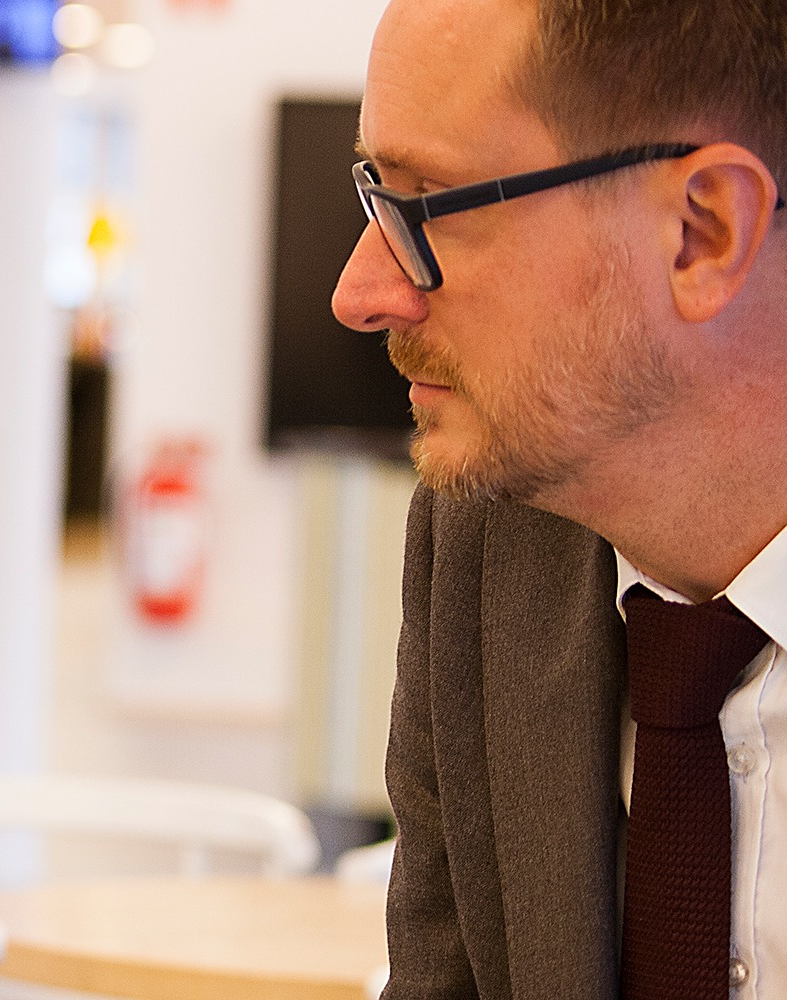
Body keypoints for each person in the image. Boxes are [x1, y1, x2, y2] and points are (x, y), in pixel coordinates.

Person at [332, 0, 787, 996]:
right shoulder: (485, 554)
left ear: (699, 232)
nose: (360, 292)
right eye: (375, 195)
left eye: (427, 206)